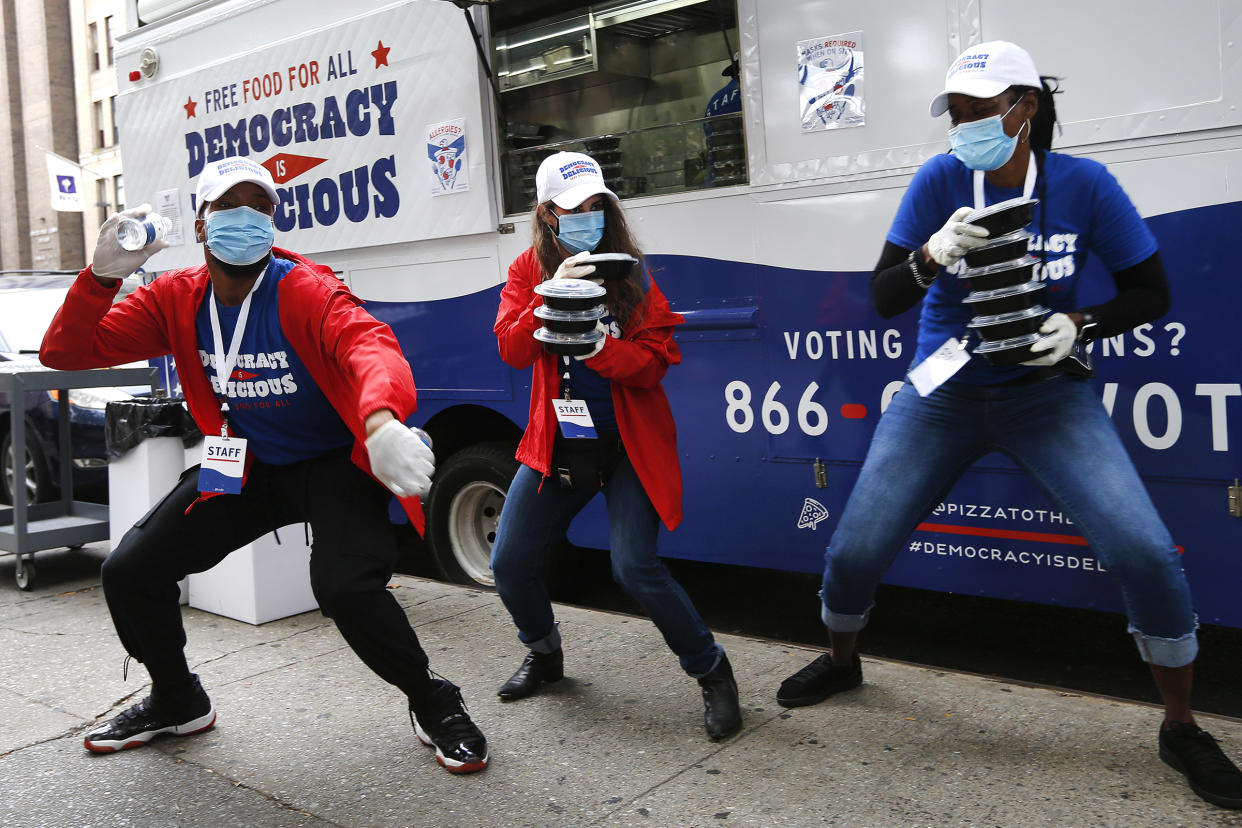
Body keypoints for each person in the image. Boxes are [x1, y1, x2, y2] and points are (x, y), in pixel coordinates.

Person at [775, 41, 1242, 809]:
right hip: (943, 393)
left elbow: (1150, 291)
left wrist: (1081, 324)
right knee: (855, 546)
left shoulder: (1085, 185)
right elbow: (885, 295)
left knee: (1145, 550)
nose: (961, 127)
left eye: (976, 112)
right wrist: (930, 254)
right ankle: (843, 658)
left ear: (1023, 109)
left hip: (1044, 395)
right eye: (953, 113)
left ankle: (1182, 727)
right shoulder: (938, 180)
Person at [40, 157, 488, 774]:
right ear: (201, 226)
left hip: (333, 464)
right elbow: (66, 351)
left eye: (260, 209)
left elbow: (370, 345)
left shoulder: (301, 288)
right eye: (229, 209)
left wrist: (381, 418)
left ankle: (434, 700)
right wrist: (99, 278)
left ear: (273, 223)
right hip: (246, 466)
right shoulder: (175, 297)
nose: (245, 221)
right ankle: (177, 698)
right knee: (130, 570)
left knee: (344, 586)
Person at [490, 151, 742, 741]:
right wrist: (545, 298)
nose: (584, 217)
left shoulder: (634, 273)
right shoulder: (528, 268)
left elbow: (654, 366)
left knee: (634, 567)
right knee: (509, 562)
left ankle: (713, 673)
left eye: (594, 206)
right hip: (558, 441)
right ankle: (546, 656)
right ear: (547, 213)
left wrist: (602, 347)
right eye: (571, 208)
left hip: (629, 446)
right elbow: (510, 349)